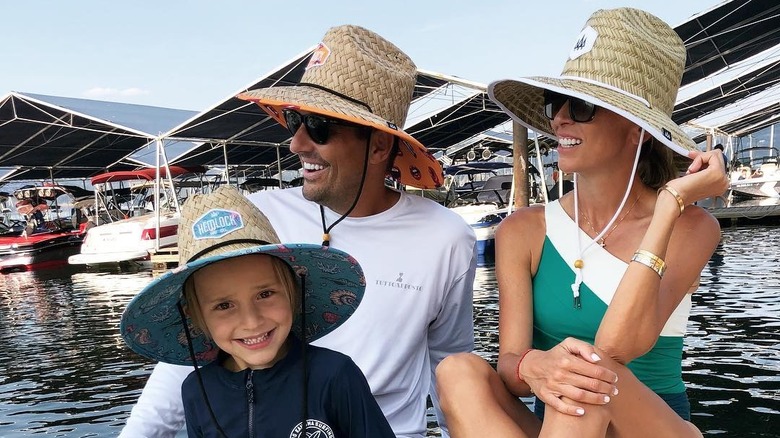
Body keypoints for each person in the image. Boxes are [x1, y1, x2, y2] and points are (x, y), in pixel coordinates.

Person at [119, 25, 477, 438]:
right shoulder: (254, 217)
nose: (297, 144)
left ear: (379, 147)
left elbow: (448, 362)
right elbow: (189, 354)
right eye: (295, 121)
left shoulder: (445, 236)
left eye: (320, 127)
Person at [436, 8, 728, 438]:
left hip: (653, 426)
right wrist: (535, 364)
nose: (560, 119)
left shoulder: (691, 225)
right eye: (557, 103)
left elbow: (617, 348)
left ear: (638, 130)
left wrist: (670, 202)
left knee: (589, 375)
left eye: (583, 106)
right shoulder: (522, 229)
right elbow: (511, 372)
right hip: (561, 425)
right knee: (458, 371)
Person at [120, 185, 393, 437]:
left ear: (293, 293)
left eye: (265, 294)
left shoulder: (334, 375)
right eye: (224, 306)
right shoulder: (196, 391)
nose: (251, 321)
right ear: (195, 315)